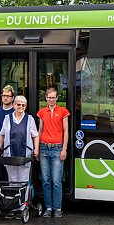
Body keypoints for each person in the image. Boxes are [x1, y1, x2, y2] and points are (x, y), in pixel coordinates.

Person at [36, 88, 70, 218]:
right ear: (46, 98)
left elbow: (66, 131)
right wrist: (37, 148)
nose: (51, 100)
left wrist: (64, 149)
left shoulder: (63, 112)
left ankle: (57, 208)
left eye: (53, 97)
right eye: (49, 97)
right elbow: (40, 130)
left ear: (57, 98)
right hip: (44, 148)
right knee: (46, 180)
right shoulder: (42, 112)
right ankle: (48, 208)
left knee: (56, 181)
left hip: (57, 148)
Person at [0, 95, 39, 184]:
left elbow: (35, 136)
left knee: (23, 181)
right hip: (10, 154)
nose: (21, 107)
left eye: (23, 105)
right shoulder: (7, 118)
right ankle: (14, 198)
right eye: (18, 104)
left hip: (25, 155)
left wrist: (36, 149)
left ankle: (23, 198)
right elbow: (2, 134)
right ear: (14, 105)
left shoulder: (30, 119)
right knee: (12, 181)